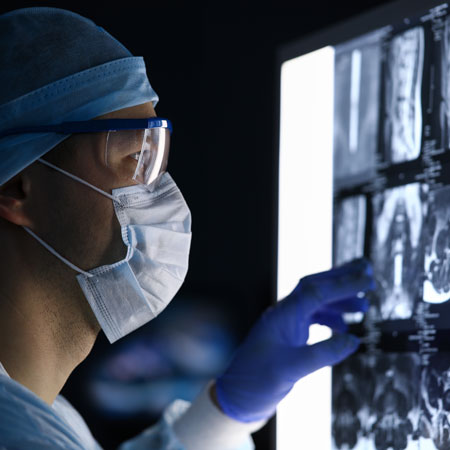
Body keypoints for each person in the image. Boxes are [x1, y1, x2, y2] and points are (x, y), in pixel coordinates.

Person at [0, 7, 374, 450]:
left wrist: (225, 412)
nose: (161, 194)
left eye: (156, 157)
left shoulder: (36, 412)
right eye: (133, 157)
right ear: (18, 188)